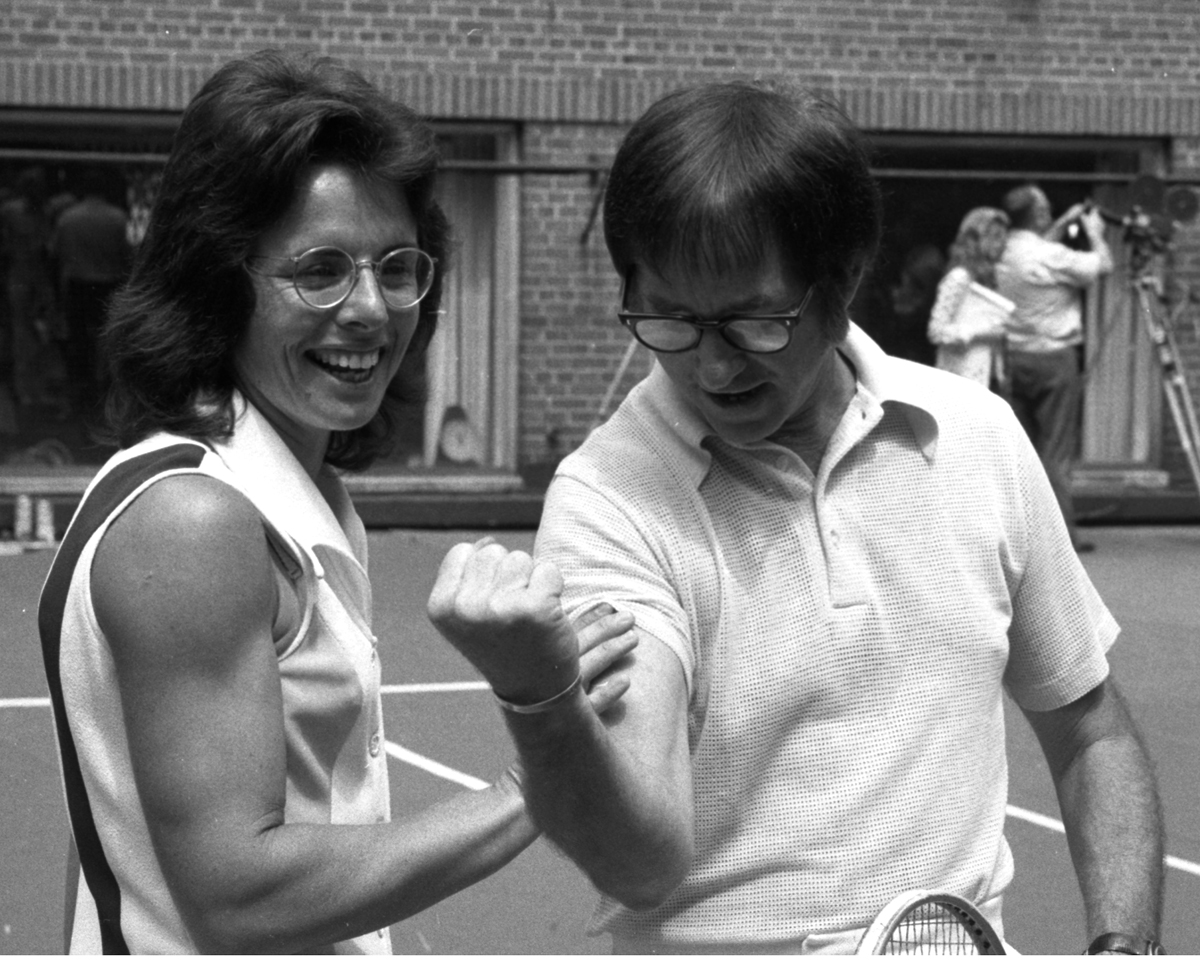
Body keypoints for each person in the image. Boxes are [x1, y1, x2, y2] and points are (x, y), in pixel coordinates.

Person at [428, 80, 1166, 955]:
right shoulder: (610, 501)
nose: (710, 363)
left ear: (844, 280)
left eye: (752, 319)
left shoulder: (977, 435)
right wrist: (539, 695)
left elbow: (1091, 728)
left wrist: (1128, 944)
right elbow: (639, 864)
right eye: (669, 316)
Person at [37, 49, 636, 955]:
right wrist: (539, 779)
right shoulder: (194, 520)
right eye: (319, 269)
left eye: (397, 267)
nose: (369, 308)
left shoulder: (290, 489)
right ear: (217, 281)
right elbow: (240, 898)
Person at [996, 184, 1114, 554]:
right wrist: (1094, 234)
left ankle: (1021, 536)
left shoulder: (1003, 251)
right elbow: (1103, 265)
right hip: (1054, 359)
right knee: (1056, 452)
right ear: (1039, 214)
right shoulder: (1051, 255)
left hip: (1014, 358)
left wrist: (1063, 223)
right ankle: (1062, 539)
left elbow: (1038, 250)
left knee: (1021, 451)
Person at [48, 167, 132, 416]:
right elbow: (126, 256)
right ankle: (105, 391)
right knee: (108, 340)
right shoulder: (117, 218)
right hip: (108, 284)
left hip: (78, 284)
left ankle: (83, 392)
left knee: (79, 341)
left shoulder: (68, 218)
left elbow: (55, 256)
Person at [926, 206, 1013, 390]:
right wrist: (979, 333)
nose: (1003, 243)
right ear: (974, 239)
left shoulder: (991, 277)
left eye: (1004, 237)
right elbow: (936, 331)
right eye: (996, 236)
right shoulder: (959, 277)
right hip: (961, 381)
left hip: (987, 377)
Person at [0, 165, 56, 409]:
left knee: (42, 336)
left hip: (39, 277)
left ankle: (38, 388)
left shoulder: (44, 211)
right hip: (20, 275)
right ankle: (24, 390)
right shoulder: (11, 211)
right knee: (22, 335)